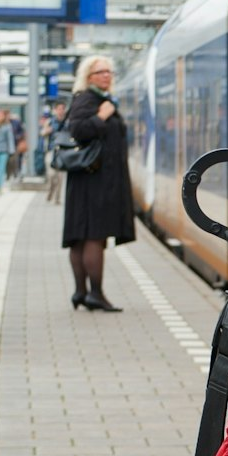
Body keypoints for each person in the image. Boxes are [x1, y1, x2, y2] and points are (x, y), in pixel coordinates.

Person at [62, 55, 134, 311]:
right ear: (88, 76)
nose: (107, 75)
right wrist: (101, 117)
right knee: (93, 237)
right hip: (93, 181)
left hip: (91, 179)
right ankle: (95, 293)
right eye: (101, 71)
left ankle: (82, 292)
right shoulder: (88, 99)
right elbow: (77, 131)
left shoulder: (96, 98)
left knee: (82, 237)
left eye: (109, 71)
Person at [42, 99, 68, 204]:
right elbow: (42, 133)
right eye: (59, 109)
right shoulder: (50, 121)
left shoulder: (68, 122)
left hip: (63, 151)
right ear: (55, 110)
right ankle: (50, 191)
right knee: (51, 175)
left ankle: (57, 198)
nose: (60, 111)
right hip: (51, 150)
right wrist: (46, 131)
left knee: (60, 177)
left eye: (62, 109)